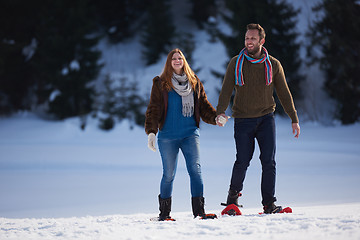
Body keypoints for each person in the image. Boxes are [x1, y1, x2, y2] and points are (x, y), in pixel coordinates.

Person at [215, 23, 300, 214]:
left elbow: (284, 93)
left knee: (268, 161)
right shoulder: (236, 62)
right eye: (246, 38)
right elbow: (226, 90)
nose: (249, 41)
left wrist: (293, 117)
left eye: (253, 38)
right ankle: (232, 200)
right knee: (242, 160)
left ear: (262, 41)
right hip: (243, 120)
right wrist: (220, 111)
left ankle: (269, 203)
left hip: (266, 119)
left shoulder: (273, 64)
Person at [145, 48, 217, 220]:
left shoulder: (194, 82)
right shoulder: (161, 83)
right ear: (169, 62)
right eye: (174, 58)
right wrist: (151, 132)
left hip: (190, 134)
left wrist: (215, 118)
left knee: (196, 170)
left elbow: (204, 106)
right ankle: (164, 214)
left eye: (180, 58)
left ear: (184, 61)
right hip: (167, 137)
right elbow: (153, 109)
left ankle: (199, 213)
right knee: (168, 174)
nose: (177, 60)